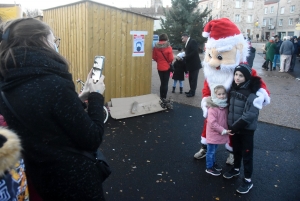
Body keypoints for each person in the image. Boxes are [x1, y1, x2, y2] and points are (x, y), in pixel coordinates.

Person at [0, 18, 106, 200]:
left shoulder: (7, 83)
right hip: (75, 181)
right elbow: (92, 138)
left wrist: (80, 98)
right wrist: (96, 95)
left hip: (43, 178)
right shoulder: (53, 83)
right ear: (40, 40)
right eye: (53, 40)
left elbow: (41, 114)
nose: (54, 44)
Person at [193, 18, 270, 166]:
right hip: (215, 107)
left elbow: (258, 83)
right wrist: (205, 100)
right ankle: (205, 147)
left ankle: (232, 153)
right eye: (211, 55)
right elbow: (206, 88)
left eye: (220, 57)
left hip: (233, 109)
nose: (214, 62)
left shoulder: (241, 69)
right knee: (208, 127)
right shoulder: (212, 71)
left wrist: (261, 94)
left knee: (232, 132)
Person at [223, 64, 261, 194]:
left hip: (245, 129)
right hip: (235, 128)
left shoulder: (252, 93)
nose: (237, 78)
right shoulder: (233, 89)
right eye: (236, 75)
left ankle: (248, 180)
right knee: (236, 150)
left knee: (247, 154)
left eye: (241, 75)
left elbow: (250, 114)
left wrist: (235, 126)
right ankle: (236, 168)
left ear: (247, 77)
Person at [205, 85, 232, 176]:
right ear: (214, 95)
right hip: (214, 133)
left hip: (218, 133)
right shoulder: (213, 108)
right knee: (211, 151)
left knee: (214, 150)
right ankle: (209, 167)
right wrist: (223, 130)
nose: (222, 96)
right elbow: (212, 123)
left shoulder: (224, 105)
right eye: (219, 94)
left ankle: (213, 164)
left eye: (223, 94)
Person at [152, 33, 174, 102]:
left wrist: (159, 61)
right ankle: (164, 98)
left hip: (159, 67)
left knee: (162, 83)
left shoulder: (156, 47)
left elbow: (154, 57)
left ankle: (161, 97)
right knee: (165, 83)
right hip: (167, 67)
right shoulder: (169, 47)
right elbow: (170, 59)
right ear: (166, 39)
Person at [181, 33, 202, 97]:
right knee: (190, 78)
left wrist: (186, 57)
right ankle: (191, 90)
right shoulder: (188, 43)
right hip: (191, 64)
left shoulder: (192, 41)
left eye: (182, 38)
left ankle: (193, 92)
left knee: (193, 79)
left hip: (195, 64)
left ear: (186, 37)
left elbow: (195, 51)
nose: (182, 39)